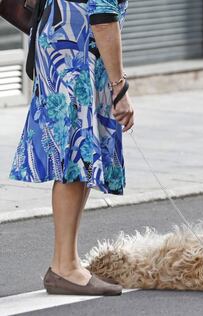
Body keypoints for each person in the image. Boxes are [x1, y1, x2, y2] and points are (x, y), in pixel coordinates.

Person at [9, 0, 134, 295]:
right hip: (74, 54)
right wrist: (120, 88)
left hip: (70, 47)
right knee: (76, 152)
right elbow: (102, 17)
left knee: (81, 153)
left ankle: (67, 262)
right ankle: (64, 267)